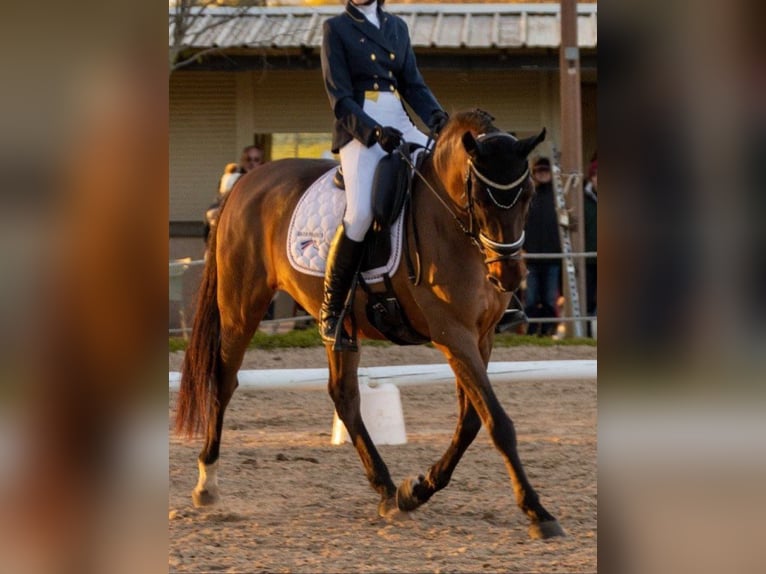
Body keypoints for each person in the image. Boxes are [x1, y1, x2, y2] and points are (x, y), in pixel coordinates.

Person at [319, 0, 448, 348]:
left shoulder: (397, 27)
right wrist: (373, 132)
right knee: (359, 213)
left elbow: (413, 84)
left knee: (449, 180)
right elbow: (340, 98)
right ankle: (331, 310)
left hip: (399, 116)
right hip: (359, 124)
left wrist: (437, 118)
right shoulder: (336, 28)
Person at [523, 157, 562, 336]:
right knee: (531, 298)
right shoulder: (528, 196)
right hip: (531, 256)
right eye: (539, 171)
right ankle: (531, 328)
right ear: (534, 173)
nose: (543, 174)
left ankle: (547, 329)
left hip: (553, 256)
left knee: (549, 297)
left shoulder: (558, 197)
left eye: (546, 171)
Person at [204, 144, 266, 245]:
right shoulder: (231, 179)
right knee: (212, 213)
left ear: (261, 162)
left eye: (256, 160)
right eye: (248, 159)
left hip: (257, 223)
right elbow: (220, 200)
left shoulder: (266, 180)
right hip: (234, 219)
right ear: (243, 161)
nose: (252, 163)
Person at [583, 156, 597, 333]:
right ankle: (584, 332)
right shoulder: (581, 200)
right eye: (596, 175)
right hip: (586, 259)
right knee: (586, 297)